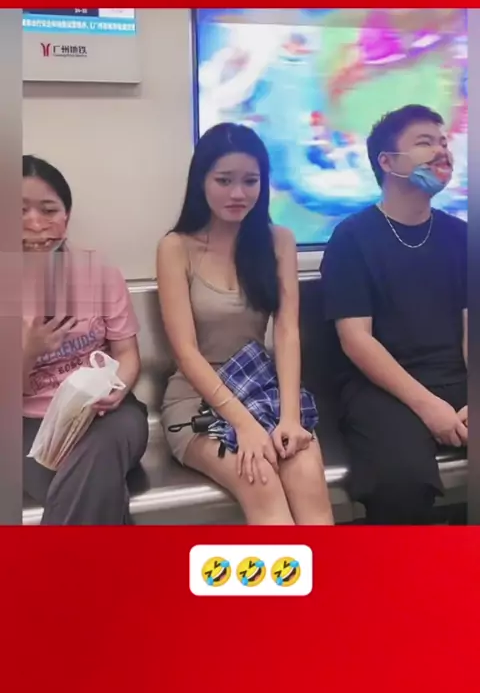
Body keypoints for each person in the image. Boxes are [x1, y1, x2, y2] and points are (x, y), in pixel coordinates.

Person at [156, 123, 333, 525]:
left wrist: (290, 418)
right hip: (198, 400)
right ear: (201, 180)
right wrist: (244, 425)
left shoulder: (278, 241)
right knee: (260, 479)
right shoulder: (175, 247)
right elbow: (185, 352)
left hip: (263, 389)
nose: (238, 193)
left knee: (306, 473)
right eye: (224, 180)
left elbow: (287, 332)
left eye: (250, 181)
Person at [320, 105, 467, 525]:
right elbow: (356, 340)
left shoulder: (461, 236)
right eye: (425, 142)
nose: (441, 151)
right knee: (400, 483)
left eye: (443, 142)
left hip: (455, 375)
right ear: (387, 162)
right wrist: (429, 406)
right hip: (381, 387)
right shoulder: (352, 237)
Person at [22, 155, 149, 525]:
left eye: (49, 210)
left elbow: (128, 354)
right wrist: (28, 352)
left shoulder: (100, 272)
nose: (35, 223)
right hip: (30, 425)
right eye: (19, 210)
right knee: (95, 488)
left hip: (108, 415)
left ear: (67, 215)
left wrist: (118, 389)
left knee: (99, 454)